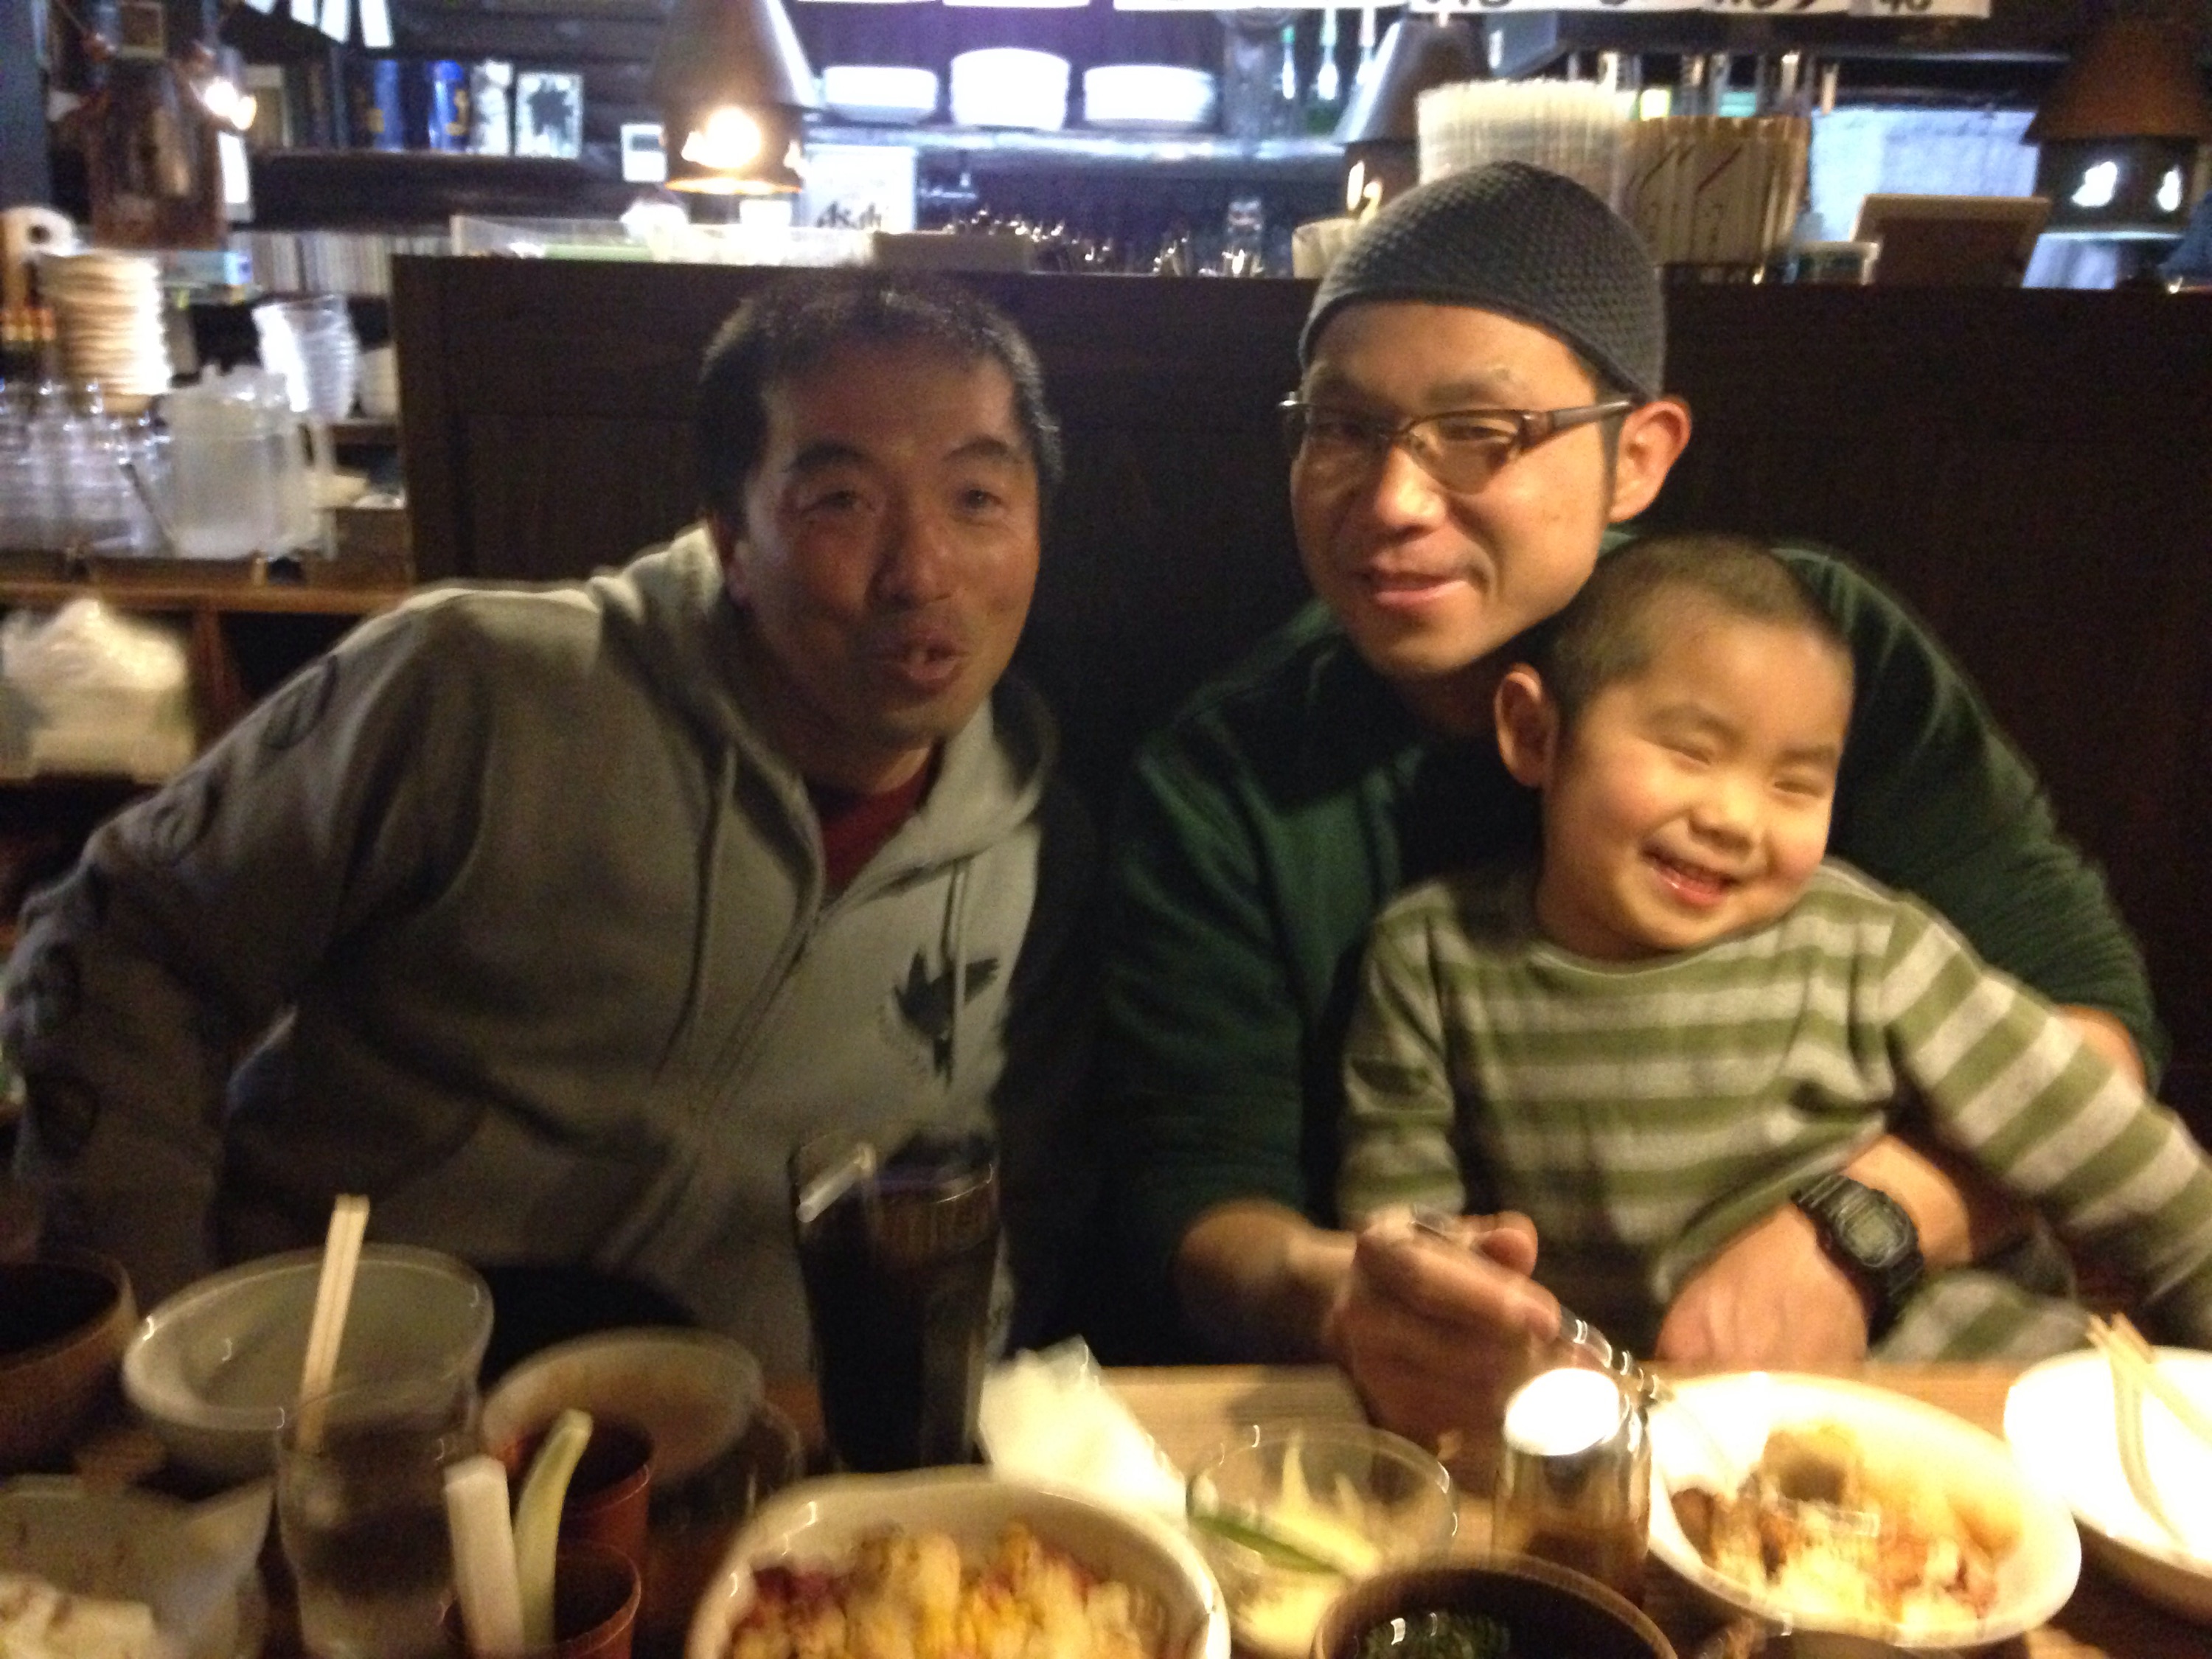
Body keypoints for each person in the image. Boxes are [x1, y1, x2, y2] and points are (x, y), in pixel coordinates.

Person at [1094, 161, 2163, 1445]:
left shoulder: (1800, 650)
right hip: (1529, 1428)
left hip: (1925, 1392)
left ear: (1637, 457)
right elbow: (1204, 1205)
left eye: (1481, 432)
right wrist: (1354, 1302)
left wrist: (1860, 1230)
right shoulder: (1228, 772)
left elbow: (2097, 1034)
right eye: (1342, 425)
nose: (1392, 501)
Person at [2, 270, 1094, 1378]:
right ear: (731, 541)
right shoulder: (478, 687)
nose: (920, 572)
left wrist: (910, 1412)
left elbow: (1025, 1199)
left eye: (977, 499)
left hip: (726, 1447)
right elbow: (122, 942)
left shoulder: (1040, 842)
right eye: (840, 501)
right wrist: (157, 1338)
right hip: (334, 1403)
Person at [1336, 532, 2212, 1360]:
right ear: (1536, 734)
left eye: (1796, 785)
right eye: (1690, 753)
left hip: (1962, 1373)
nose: (1734, 820)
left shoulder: (1869, 948)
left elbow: (2111, 1145)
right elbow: (1401, 1233)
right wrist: (1451, 1307)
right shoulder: (1432, 957)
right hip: (1659, 1417)